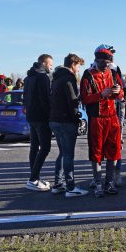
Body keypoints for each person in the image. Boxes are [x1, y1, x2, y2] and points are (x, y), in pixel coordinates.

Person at [80, 46, 124, 198]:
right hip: (96, 119)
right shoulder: (88, 75)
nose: (105, 65)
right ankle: (98, 183)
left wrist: (119, 92)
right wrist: (100, 94)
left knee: (113, 150)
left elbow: (122, 93)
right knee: (96, 152)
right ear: (96, 60)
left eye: (107, 62)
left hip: (112, 118)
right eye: (102, 62)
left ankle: (109, 182)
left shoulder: (113, 73)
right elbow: (84, 98)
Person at [49, 54, 90, 197]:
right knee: (68, 155)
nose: (78, 69)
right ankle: (71, 187)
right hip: (66, 120)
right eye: (78, 66)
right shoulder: (69, 78)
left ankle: (58, 184)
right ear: (73, 64)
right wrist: (77, 118)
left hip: (54, 119)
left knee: (62, 153)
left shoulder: (56, 78)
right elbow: (72, 102)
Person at [23, 54, 53, 191]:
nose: (51, 67)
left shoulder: (28, 78)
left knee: (34, 147)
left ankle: (34, 177)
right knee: (45, 148)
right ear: (44, 63)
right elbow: (45, 99)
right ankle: (33, 179)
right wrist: (50, 115)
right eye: (50, 64)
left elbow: (26, 98)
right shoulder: (43, 78)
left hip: (31, 116)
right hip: (41, 117)